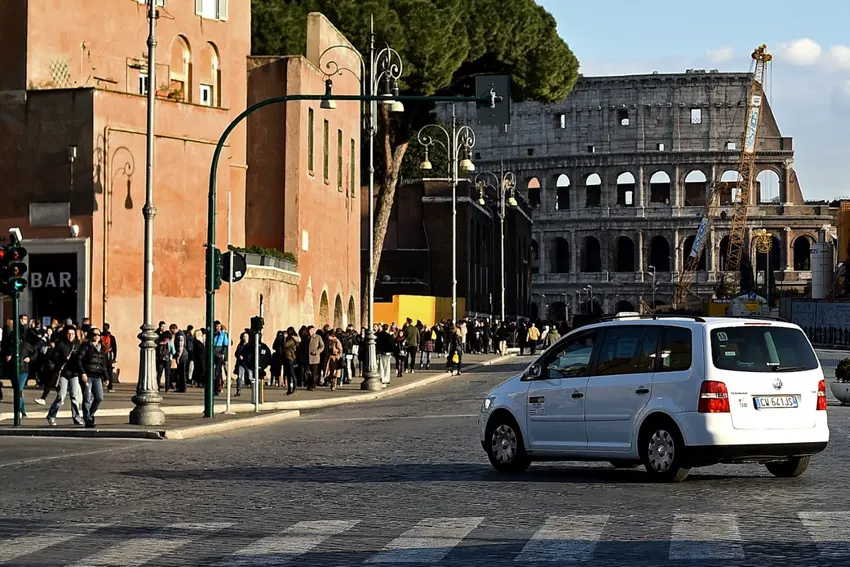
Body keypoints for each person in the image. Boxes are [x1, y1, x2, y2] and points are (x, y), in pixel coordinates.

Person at [46, 326, 84, 426]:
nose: (71, 335)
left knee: (75, 397)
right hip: (63, 373)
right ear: (65, 334)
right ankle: (51, 416)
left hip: (74, 373)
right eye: (69, 333)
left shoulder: (77, 345)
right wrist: (63, 358)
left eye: (72, 333)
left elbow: (81, 358)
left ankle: (76, 417)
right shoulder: (60, 344)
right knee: (60, 396)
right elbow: (53, 357)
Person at [77, 327, 108, 428]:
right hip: (87, 375)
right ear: (90, 336)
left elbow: (104, 364)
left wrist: (106, 377)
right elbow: (79, 360)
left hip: (97, 376)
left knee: (99, 397)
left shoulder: (102, 348)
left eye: (98, 335)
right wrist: (82, 373)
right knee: (87, 398)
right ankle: (88, 419)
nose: (96, 337)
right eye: (94, 334)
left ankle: (90, 414)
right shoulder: (86, 347)